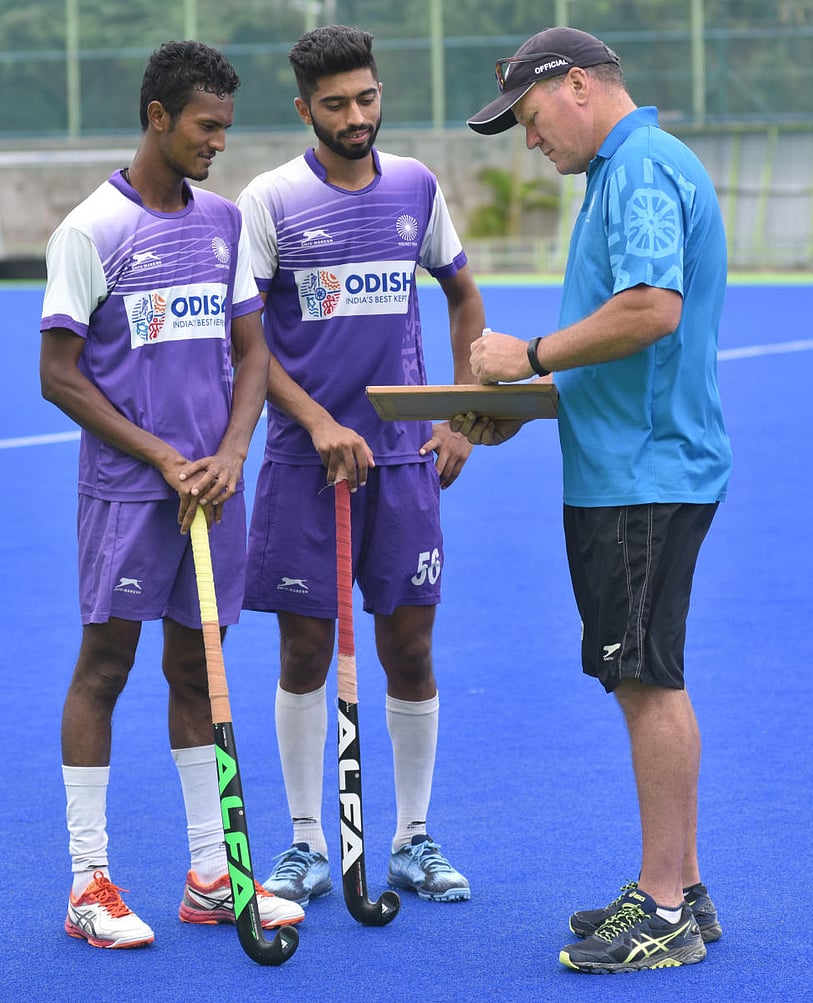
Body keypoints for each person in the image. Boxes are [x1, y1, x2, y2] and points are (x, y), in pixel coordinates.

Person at [458, 26, 732, 973]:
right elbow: (627, 349)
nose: (531, 141)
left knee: (646, 677)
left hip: (642, 477)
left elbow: (652, 308)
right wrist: (527, 407)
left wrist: (528, 355)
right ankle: (681, 884)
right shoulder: (624, 171)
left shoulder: (640, 167)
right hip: (634, 466)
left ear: (578, 85)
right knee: (646, 672)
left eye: (532, 119)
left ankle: (663, 907)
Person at [39, 39, 304, 949]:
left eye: (227, 127)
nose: (219, 142)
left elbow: (252, 352)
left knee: (200, 671)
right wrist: (161, 453)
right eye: (206, 126)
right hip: (128, 493)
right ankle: (89, 884)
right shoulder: (90, 229)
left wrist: (231, 453)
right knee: (105, 669)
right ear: (158, 117)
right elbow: (59, 375)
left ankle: (211, 873)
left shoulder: (226, 223)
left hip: (210, 495)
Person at [235, 24, 485, 907]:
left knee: (410, 645)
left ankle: (414, 837)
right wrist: (316, 424)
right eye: (336, 104)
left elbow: (462, 293)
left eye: (367, 98)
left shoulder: (417, 186)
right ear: (304, 108)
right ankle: (306, 841)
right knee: (304, 647)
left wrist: (461, 413)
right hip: (307, 467)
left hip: (404, 463)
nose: (356, 117)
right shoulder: (267, 200)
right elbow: (250, 340)